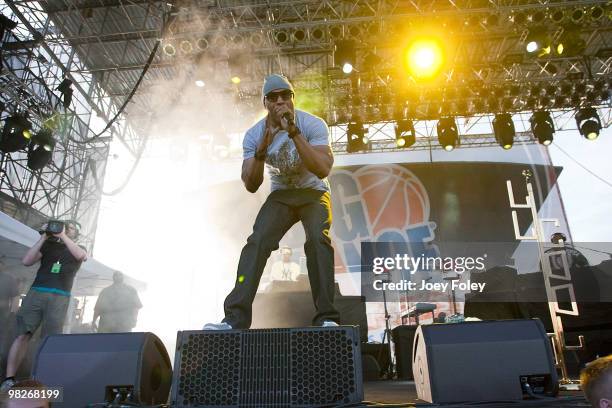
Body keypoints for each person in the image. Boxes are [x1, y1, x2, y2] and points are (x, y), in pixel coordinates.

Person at [204, 74, 340, 330]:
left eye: (285, 96)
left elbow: (322, 169)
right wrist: (262, 149)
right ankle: (235, 319)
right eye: (274, 97)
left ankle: (327, 318)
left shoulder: (312, 124)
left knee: (317, 239)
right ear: (265, 103)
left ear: (292, 99)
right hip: (282, 195)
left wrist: (294, 133)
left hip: (313, 191)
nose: (281, 101)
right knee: (257, 242)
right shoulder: (254, 135)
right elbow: (251, 184)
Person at [0, 221, 87, 392]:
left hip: (59, 296)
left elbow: (80, 256)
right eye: (63, 226)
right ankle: (9, 379)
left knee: (50, 339)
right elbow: (26, 261)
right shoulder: (48, 244)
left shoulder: (78, 246)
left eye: (69, 228)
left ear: (76, 233)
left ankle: (43, 379)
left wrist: (63, 236)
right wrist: (43, 237)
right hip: (37, 292)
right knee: (22, 335)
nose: (64, 228)